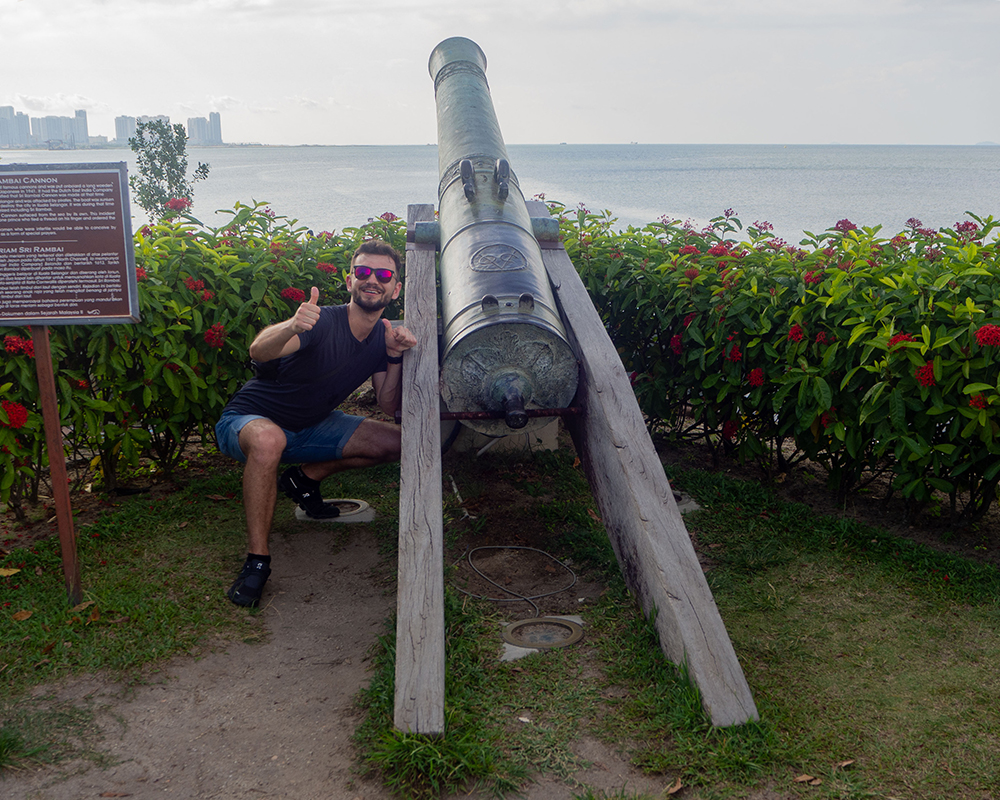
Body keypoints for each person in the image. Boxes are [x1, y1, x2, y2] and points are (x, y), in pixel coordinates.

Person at [214, 240, 416, 607]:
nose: (373, 280)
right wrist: (291, 325)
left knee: (398, 442)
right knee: (269, 440)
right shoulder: (320, 321)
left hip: (311, 425)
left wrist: (394, 356)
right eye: (363, 272)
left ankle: (303, 479)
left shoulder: (381, 336)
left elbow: (387, 403)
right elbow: (258, 351)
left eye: (384, 274)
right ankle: (257, 561)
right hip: (250, 420)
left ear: (395, 288)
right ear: (349, 278)